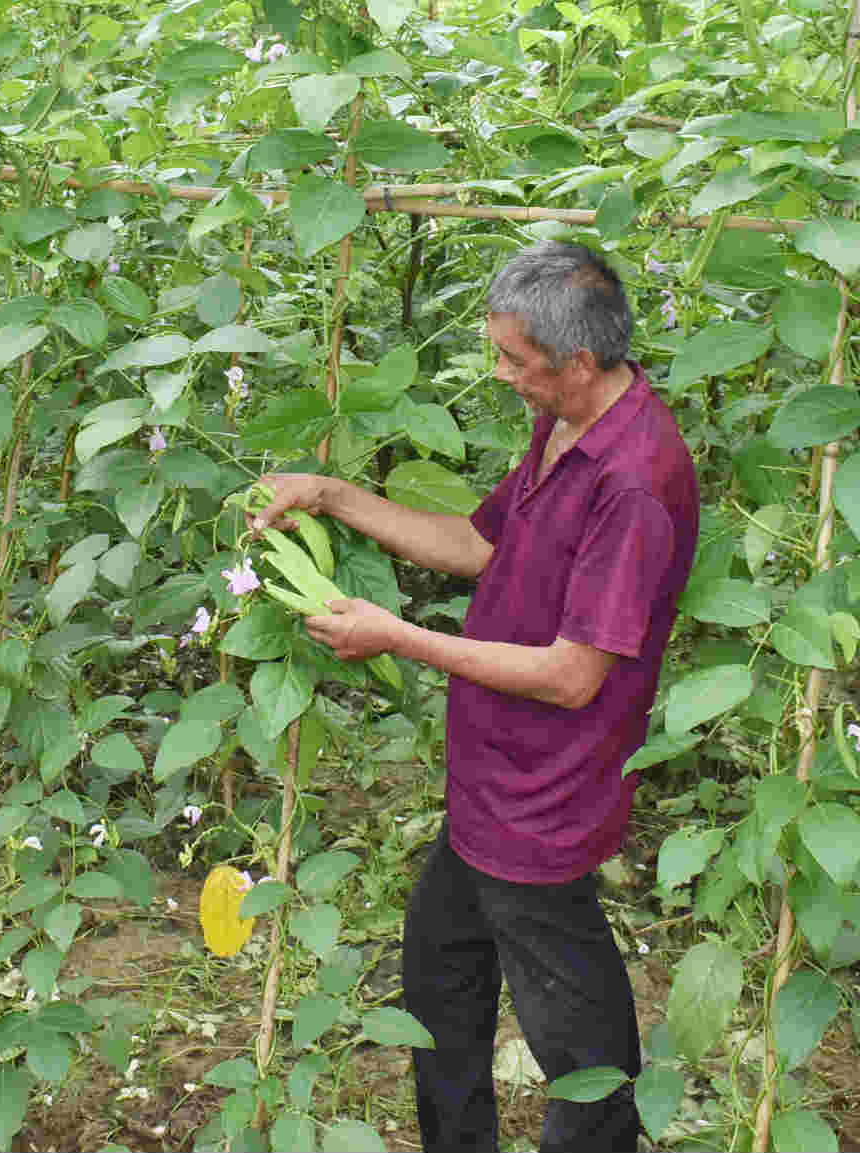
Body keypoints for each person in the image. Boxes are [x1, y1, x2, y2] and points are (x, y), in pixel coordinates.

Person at [250, 240, 698, 1152]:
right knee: (440, 979)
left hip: (543, 799)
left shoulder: (634, 482)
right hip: (491, 782)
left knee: (586, 1055)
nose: (501, 376)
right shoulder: (564, 425)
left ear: (579, 362)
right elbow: (480, 544)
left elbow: (576, 674)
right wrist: (331, 494)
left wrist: (399, 637)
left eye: (513, 361)